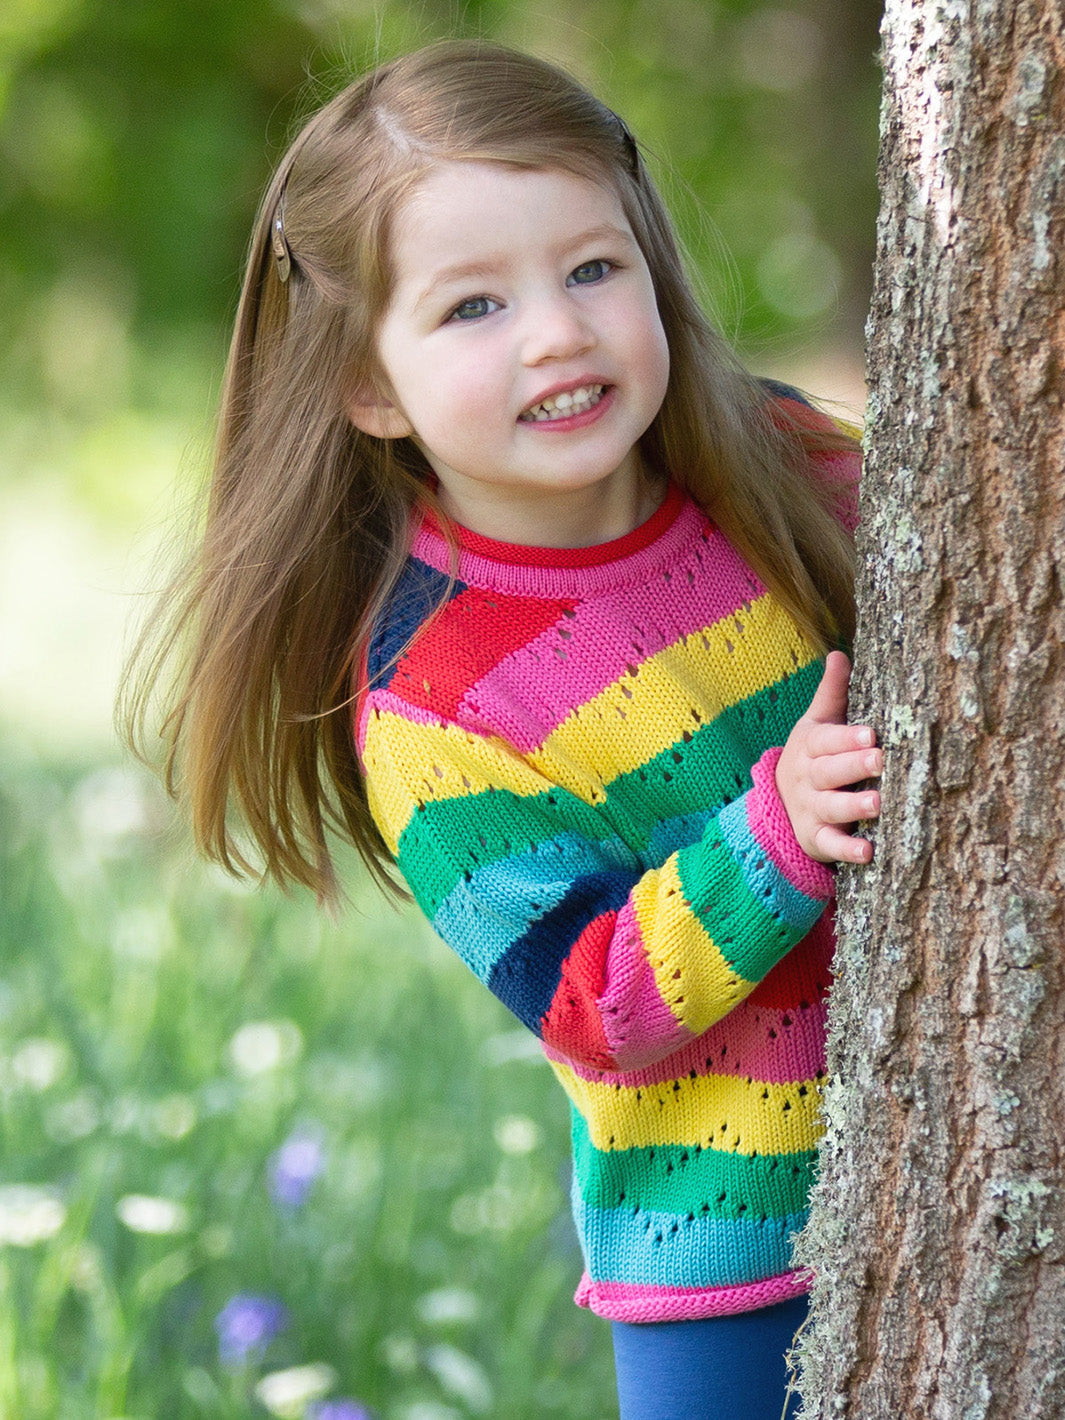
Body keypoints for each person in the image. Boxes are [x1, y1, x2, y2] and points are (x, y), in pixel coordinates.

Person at [124, 40, 882, 1420]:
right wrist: (776, 834)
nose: (556, 331)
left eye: (593, 268)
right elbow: (590, 1003)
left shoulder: (779, 462)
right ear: (367, 385)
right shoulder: (434, 704)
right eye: (473, 306)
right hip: (730, 1249)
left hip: (957, 1143)